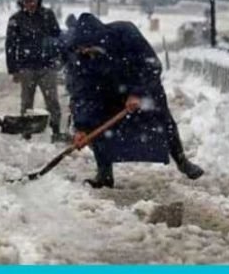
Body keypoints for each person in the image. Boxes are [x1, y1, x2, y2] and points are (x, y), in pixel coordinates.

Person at [66, 13, 204, 188]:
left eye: (88, 47)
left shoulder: (125, 33)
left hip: (143, 85)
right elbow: (82, 92)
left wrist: (137, 92)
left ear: (98, 38)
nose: (85, 52)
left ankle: (182, 160)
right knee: (97, 126)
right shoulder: (82, 57)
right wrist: (81, 127)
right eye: (81, 49)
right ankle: (104, 173)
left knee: (164, 121)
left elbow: (152, 65)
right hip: (109, 92)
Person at [5, 0, 66, 143]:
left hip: (47, 65)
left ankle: (56, 129)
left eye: (32, 0)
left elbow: (57, 37)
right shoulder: (16, 20)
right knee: (27, 101)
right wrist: (13, 69)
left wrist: (58, 58)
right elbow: (10, 46)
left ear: (38, 0)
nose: (30, 4)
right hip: (26, 67)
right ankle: (27, 131)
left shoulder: (47, 16)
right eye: (26, 1)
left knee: (52, 99)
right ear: (21, 2)